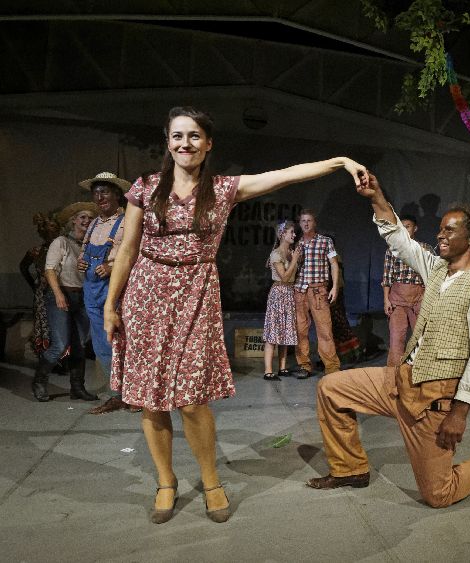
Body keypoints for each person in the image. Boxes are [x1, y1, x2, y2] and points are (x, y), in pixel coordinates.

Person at [104, 106, 367, 524]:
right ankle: (166, 482)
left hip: (196, 296)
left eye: (194, 136)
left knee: (193, 401)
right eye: (177, 136)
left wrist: (339, 162)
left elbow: (286, 175)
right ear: (168, 142)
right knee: (151, 401)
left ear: (208, 144)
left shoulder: (223, 189)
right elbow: (128, 250)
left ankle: (211, 481)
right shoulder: (146, 187)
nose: (185, 143)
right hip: (146, 296)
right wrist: (110, 304)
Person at [307, 173, 470, 508]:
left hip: (433, 399)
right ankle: (349, 469)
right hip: (402, 380)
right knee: (331, 388)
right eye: (440, 229)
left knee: (439, 494)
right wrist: (377, 197)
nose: (440, 235)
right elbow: (401, 241)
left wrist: (460, 412)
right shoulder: (437, 270)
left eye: (450, 230)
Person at [75, 172, 139, 415]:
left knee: (125, 342)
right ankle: (117, 395)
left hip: (118, 289)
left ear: (117, 195)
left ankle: (135, 395)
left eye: (105, 192)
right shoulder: (93, 224)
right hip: (92, 291)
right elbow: (84, 251)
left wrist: (112, 267)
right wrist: (81, 262)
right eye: (96, 192)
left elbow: (136, 253)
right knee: (102, 345)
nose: (99, 197)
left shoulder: (126, 221)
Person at [31, 202, 99, 402]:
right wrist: (58, 294)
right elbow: (49, 270)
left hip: (82, 297)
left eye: (90, 218)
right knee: (60, 345)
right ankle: (39, 382)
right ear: (73, 221)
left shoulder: (89, 246)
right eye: (82, 217)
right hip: (61, 295)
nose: (86, 221)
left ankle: (77, 387)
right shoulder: (61, 242)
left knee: (79, 345)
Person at [290, 209, 341, 379]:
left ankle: (331, 367)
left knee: (324, 329)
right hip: (300, 291)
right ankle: (304, 365)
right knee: (300, 330)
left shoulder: (325, 241)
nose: (306, 223)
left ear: (314, 223)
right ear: (300, 223)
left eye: (309, 220)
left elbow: (334, 264)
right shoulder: (297, 244)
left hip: (318, 290)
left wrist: (335, 287)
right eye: (303, 221)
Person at [382, 214, 431, 366]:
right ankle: (394, 375)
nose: (404, 230)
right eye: (401, 227)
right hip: (397, 299)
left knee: (421, 338)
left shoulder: (424, 248)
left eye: (407, 226)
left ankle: (421, 372)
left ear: (415, 228)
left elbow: (431, 275)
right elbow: (387, 277)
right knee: (396, 339)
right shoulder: (392, 249)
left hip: (419, 298)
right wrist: (386, 300)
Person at [262, 220, 302, 380]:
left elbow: (293, 276)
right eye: (291, 232)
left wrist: (294, 258)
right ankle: (268, 370)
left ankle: (282, 367)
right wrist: (294, 260)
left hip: (289, 293)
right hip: (279, 293)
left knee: (285, 330)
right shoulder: (276, 254)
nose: (294, 235)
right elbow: (284, 277)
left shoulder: (291, 252)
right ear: (282, 234)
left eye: (294, 232)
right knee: (273, 331)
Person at [20, 212, 62, 357]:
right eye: (49, 229)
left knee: (58, 324)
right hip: (44, 294)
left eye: (55, 229)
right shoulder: (36, 251)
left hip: (59, 292)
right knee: (45, 324)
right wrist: (34, 286)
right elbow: (23, 267)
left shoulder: (63, 248)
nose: (52, 232)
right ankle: (47, 357)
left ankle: (57, 358)